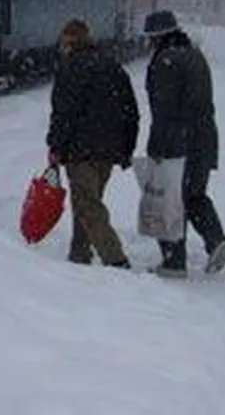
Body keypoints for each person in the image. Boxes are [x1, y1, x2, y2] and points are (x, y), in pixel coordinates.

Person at [142, 10, 225, 278]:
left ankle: (173, 262)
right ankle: (216, 240)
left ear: (158, 37)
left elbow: (165, 109)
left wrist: (157, 147)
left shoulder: (166, 62)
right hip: (204, 138)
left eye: (150, 38)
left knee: (166, 199)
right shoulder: (195, 55)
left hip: (176, 141)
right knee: (194, 195)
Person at [46, 19, 138, 269]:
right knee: (88, 201)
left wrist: (55, 146)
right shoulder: (112, 66)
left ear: (69, 42)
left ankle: (115, 259)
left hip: (80, 150)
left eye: (63, 43)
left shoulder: (70, 69)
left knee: (87, 204)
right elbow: (130, 111)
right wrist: (126, 148)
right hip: (108, 149)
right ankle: (79, 254)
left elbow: (63, 113)